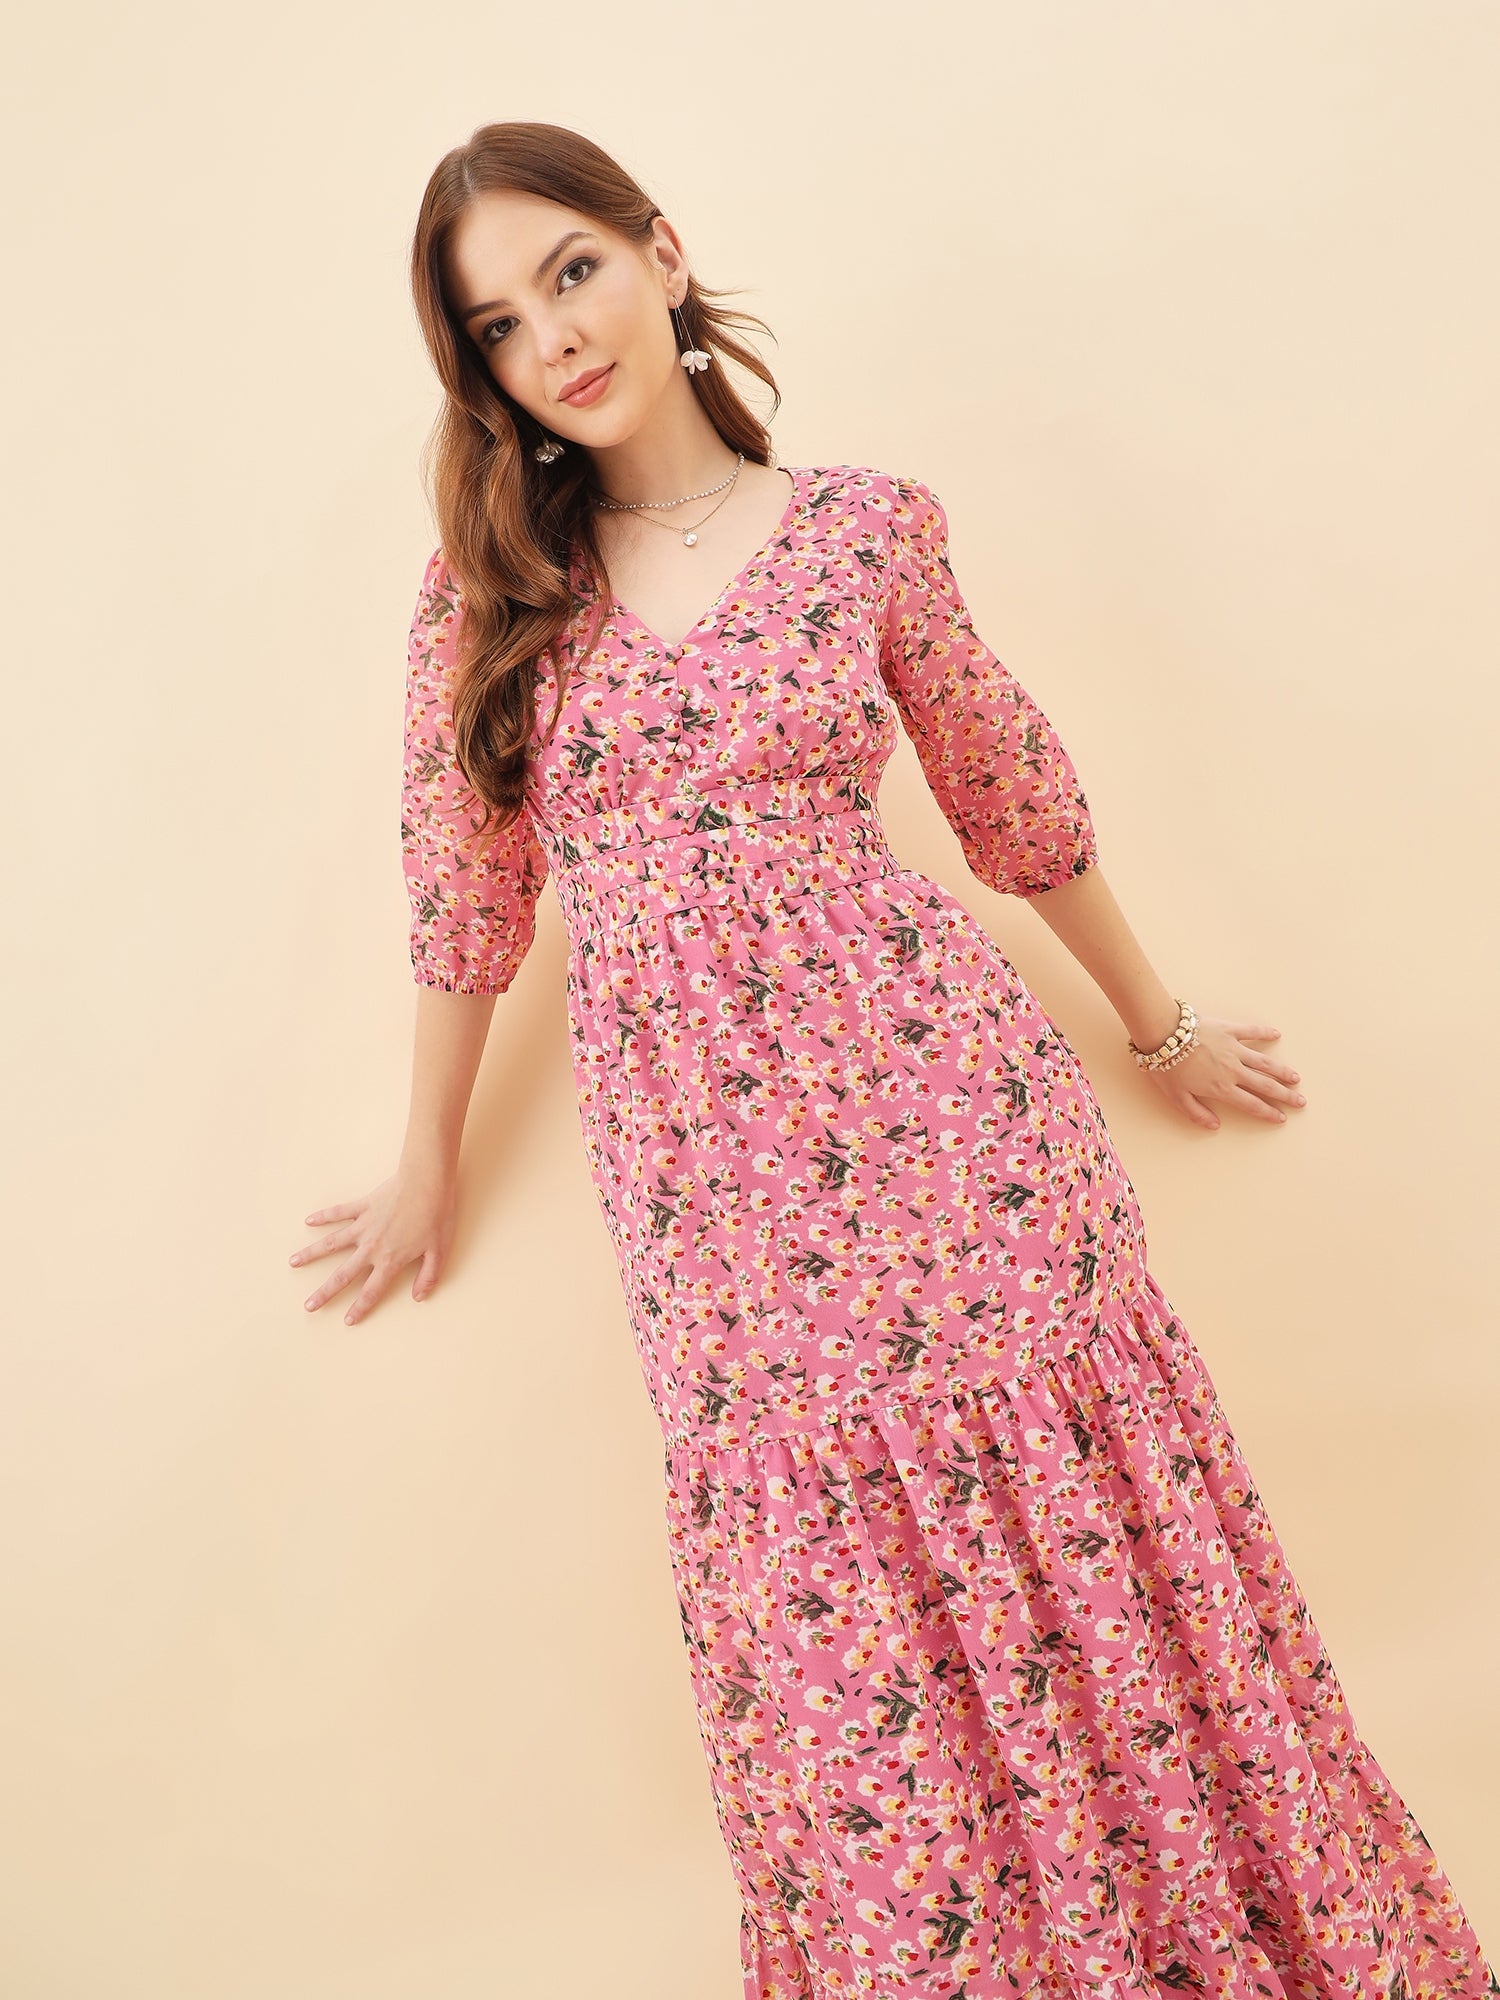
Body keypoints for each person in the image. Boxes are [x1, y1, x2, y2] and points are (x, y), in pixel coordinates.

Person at [290, 122, 1496, 2000]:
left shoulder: (865, 527)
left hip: (962, 1129)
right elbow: (464, 896)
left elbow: (1009, 786)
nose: (555, 335)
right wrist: (426, 1154)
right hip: (713, 1191)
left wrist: (1155, 1025)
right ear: (487, 374)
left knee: (1097, 1554)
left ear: (663, 254)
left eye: (574, 271)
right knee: (837, 1618)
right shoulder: (492, 597)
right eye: (501, 323)